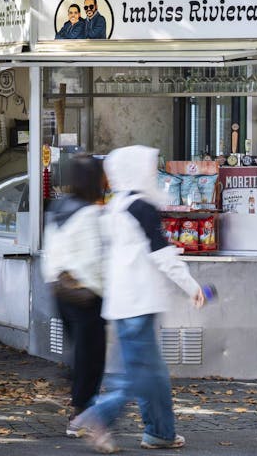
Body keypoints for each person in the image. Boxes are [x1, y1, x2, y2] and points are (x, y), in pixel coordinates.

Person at [73, 145, 207, 453]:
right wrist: (191, 286)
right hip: (140, 302)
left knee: (154, 373)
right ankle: (98, 416)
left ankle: (161, 432)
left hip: (121, 303)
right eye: (148, 168)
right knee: (140, 375)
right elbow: (163, 256)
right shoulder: (141, 208)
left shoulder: (115, 206)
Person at [41, 155, 107, 437]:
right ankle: (80, 414)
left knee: (80, 353)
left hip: (60, 290)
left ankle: (74, 397)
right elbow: (95, 259)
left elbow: (51, 251)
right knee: (91, 357)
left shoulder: (58, 207)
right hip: (87, 294)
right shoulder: (90, 213)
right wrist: (105, 289)